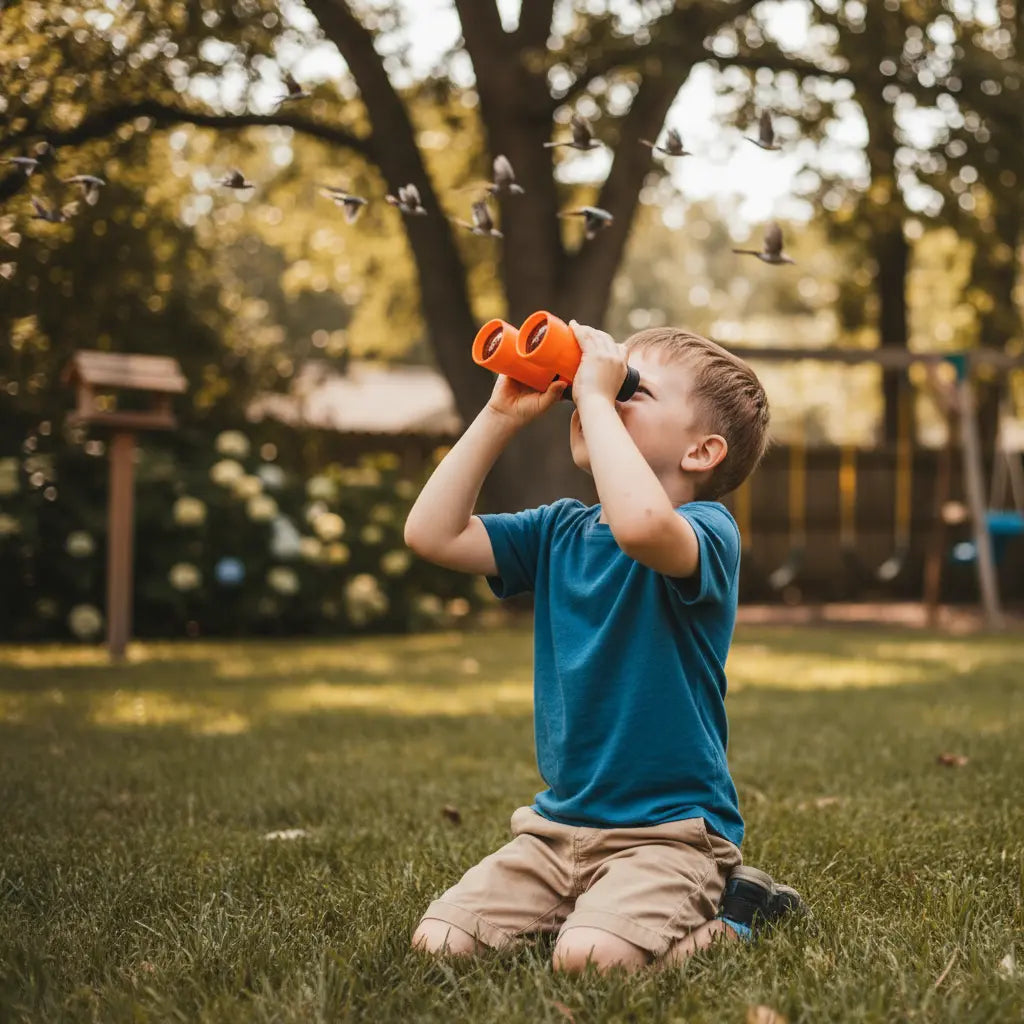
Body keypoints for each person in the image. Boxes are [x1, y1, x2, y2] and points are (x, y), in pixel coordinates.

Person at [403, 321, 803, 974]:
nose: (604, 396)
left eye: (630, 389)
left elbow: (643, 525)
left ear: (702, 452)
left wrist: (592, 397)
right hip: (556, 831)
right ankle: (590, 905)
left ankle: (742, 919)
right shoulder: (557, 530)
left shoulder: (707, 531)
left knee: (587, 962)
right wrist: (501, 413)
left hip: (670, 837)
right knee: (441, 945)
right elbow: (432, 534)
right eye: (605, 383)